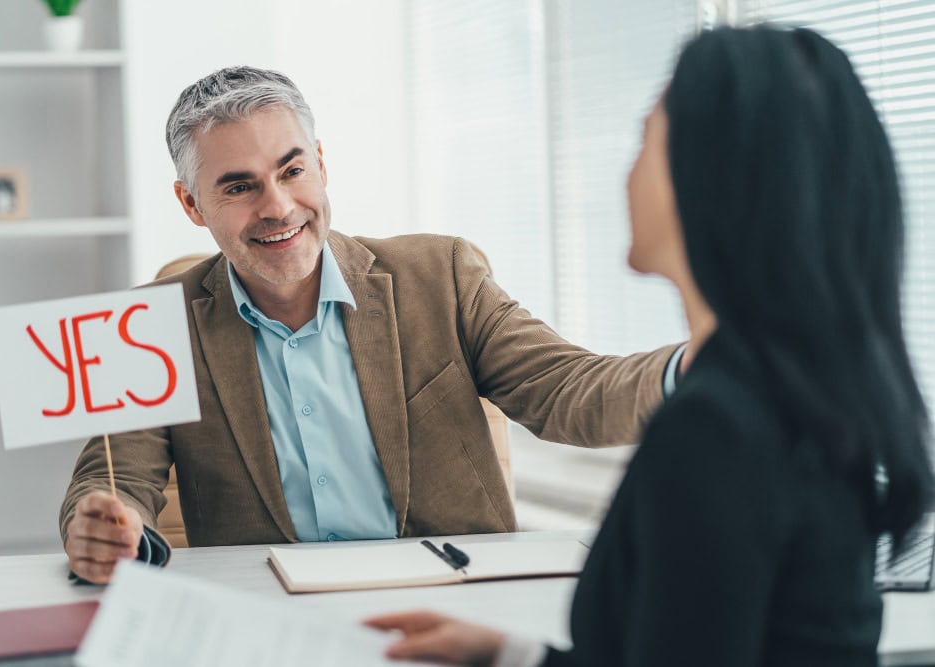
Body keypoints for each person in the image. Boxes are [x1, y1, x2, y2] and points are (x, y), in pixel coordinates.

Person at [365, 25, 935, 666]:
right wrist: (508, 654)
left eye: (645, 138)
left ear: (705, 179)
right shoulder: (807, 401)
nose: (626, 169)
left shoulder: (715, 429)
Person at [59, 66, 693, 584]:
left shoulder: (439, 275)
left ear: (322, 164)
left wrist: (696, 367)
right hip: (270, 618)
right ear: (191, 204)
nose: (278, 206)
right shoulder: (147, 323)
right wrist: (106, 530)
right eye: (238, 187)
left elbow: (567, 391)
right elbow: (111, 479)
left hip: (453, 599)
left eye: (292, 170)